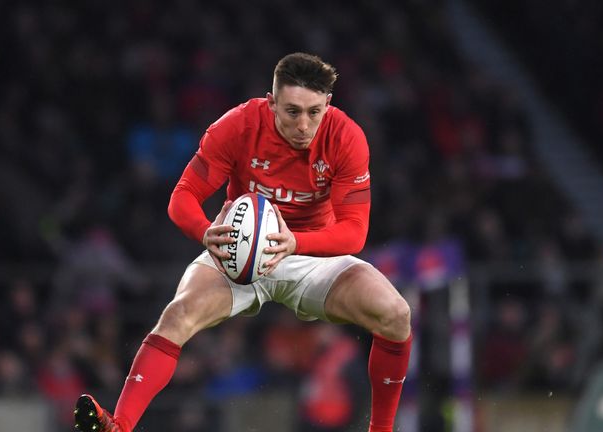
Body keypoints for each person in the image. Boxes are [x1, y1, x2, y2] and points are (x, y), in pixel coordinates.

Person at [74, 52, 412, 432]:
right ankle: (118, 427)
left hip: (312, 253)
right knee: (177, 316)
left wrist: (293, 243)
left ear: (328, 104)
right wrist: (204, 231)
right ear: (270, 102)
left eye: (314, 112)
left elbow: (354, 232)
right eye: (292, 111)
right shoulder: (237, 126)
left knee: (396, 315)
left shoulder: (346, 137)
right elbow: (182, 196)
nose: (304, 125)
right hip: (240, 254)